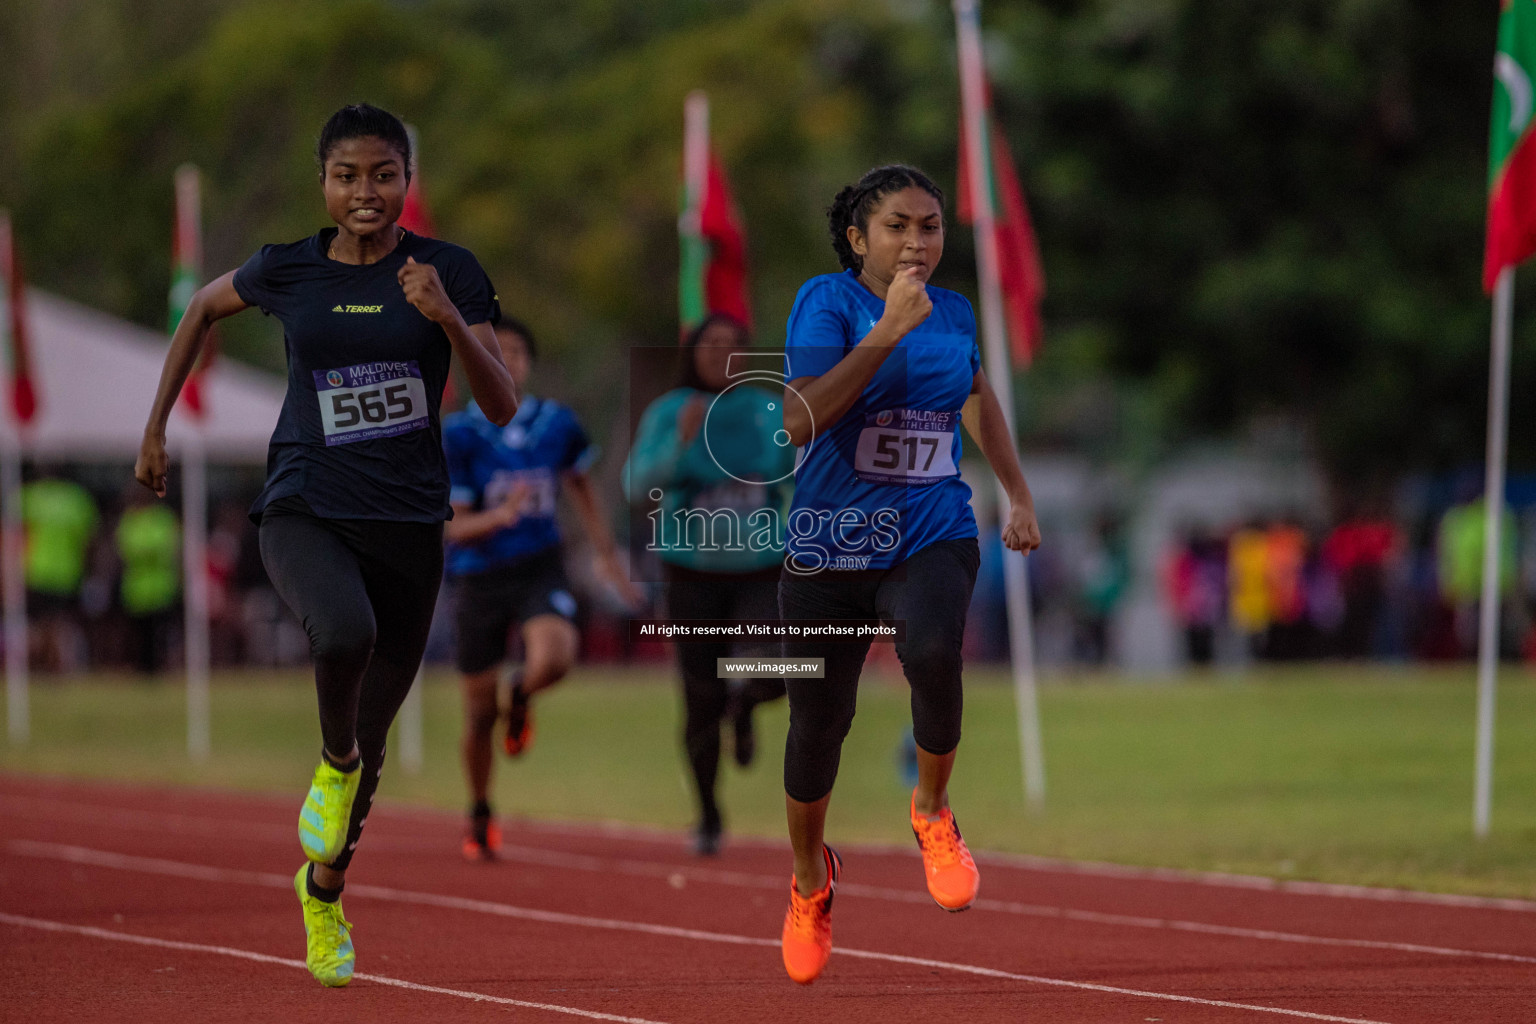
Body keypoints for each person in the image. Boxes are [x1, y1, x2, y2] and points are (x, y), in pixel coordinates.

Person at [134, 103, 516, 988]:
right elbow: (199, 308)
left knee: (374, 741)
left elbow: (500, 405)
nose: (366, 191)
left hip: (410, 523)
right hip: (305, 505)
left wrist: (449, 319)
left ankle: (323, 892)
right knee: (342, 633)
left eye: (383, 173)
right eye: (348, 175)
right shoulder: (289, 269)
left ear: (406, 180)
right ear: (324, 182)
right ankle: (331, 761)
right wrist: (154, 430)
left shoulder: (448, 270)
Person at [774, 165, 1040, 984]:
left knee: (931, 650)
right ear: (859, 239)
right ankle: (811, 878)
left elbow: (977, 397)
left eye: (930, 226)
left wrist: (1016, 495)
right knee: (820, 725)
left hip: (931, 530)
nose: (917, 241)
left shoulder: (954, 311)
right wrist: (886, 330)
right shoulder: (827, 302)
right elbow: (796, 418)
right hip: (829, 551)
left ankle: (930, 811)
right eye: (897, 226)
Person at [444, 318, 638, 860]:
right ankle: (480, 810)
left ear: (528, 363)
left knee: (556, 657)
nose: (507, 362)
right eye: (495, 353)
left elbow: (582, 488)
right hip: (478, 574)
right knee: (479, 715)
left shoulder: (556, 423)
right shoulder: (459, 434)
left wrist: (606, 557)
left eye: (516, 353)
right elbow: (452, 525)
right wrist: (497, 517)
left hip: (538, 566)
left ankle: (523, 694)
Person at [624, 313, 795, 855]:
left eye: (734, 344)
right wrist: (680, 442)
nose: (723, 353)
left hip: (762, 565)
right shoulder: (671, 410)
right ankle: (708, 813)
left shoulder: (766, 407)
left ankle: (745, 702)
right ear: (692, 351)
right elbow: (637, 486)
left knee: (782, 663)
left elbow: (794, 468)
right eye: (712, 343)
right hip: (691, 570)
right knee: (700, 697)